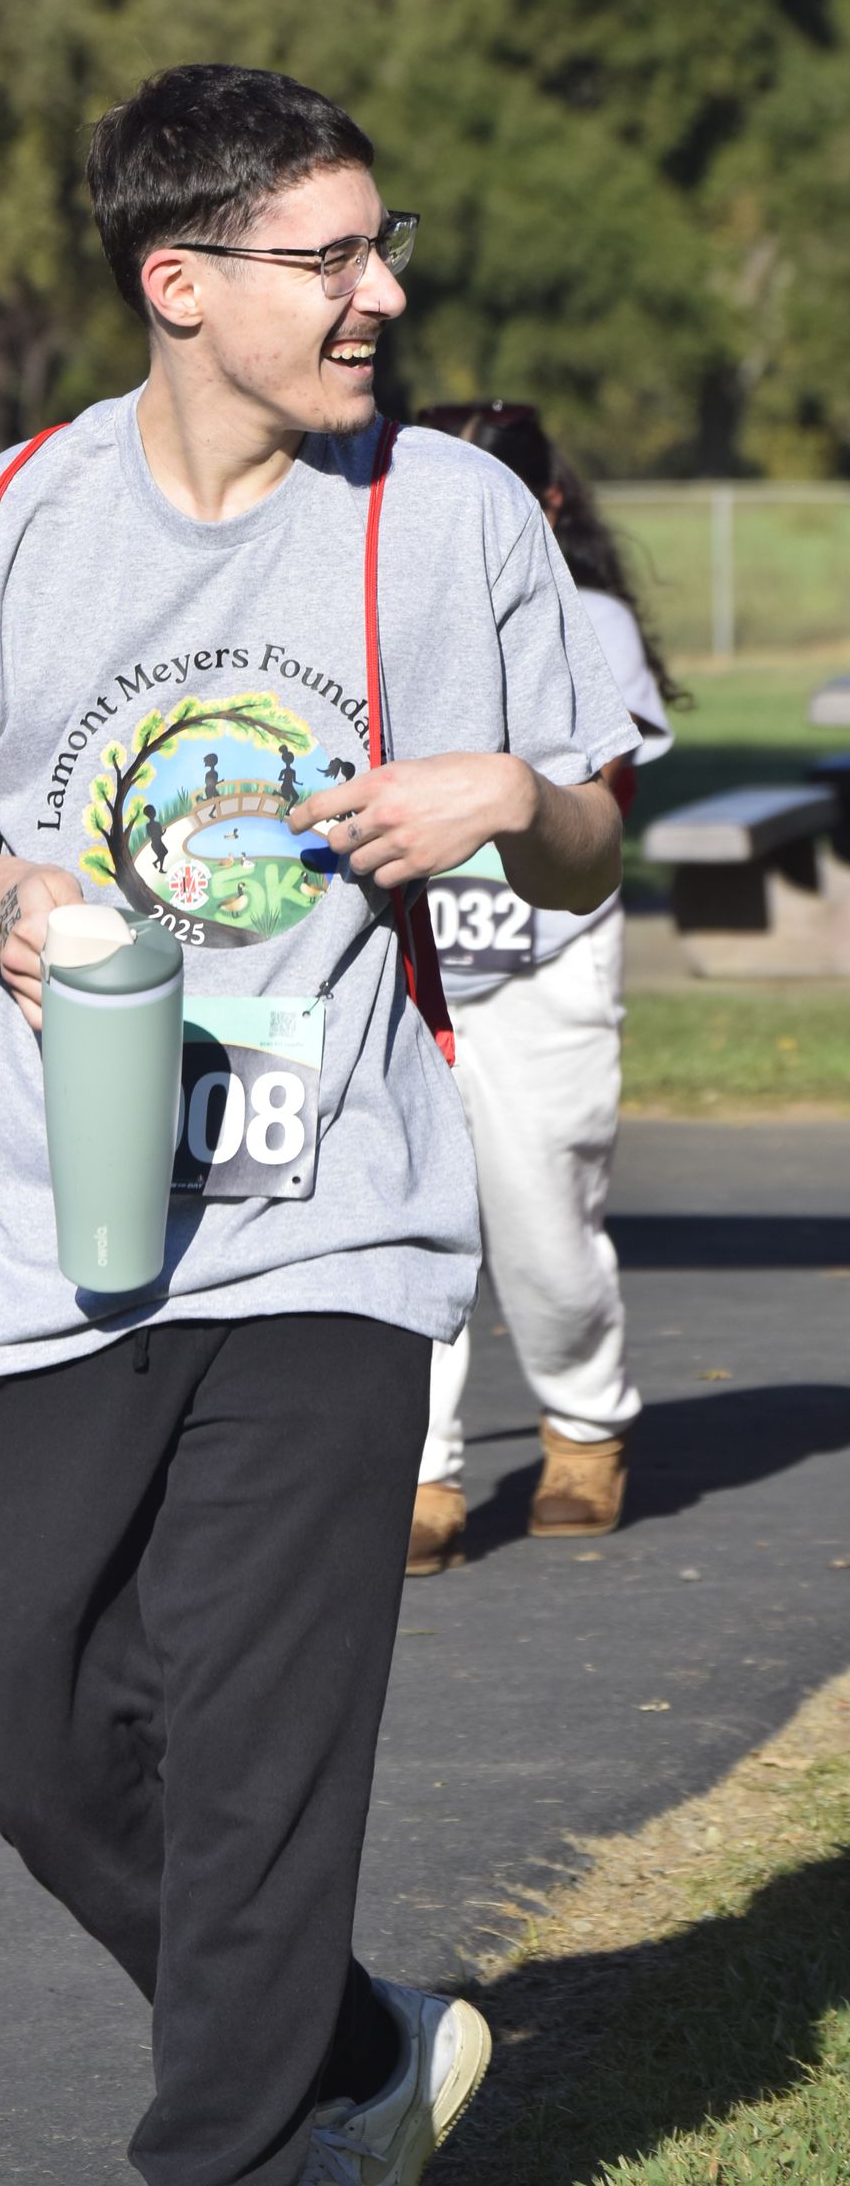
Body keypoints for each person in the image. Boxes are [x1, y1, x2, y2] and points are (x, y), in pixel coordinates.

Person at [0, 64, 637, 2186]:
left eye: (384, 247)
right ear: (179, 281)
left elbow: (592, 843)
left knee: (257, 1734)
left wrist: (509, 800)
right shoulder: (6, 527)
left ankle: (246, 2150)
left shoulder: (447, 518)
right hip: (68, 1222)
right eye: (332, 258)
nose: (383, 291)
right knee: (11, 1675)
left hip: (333, 1229)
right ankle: (345, 2037)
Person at [405, 403, 683, 1577]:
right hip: (406, 967)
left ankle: (584, 1422)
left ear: (546, 505)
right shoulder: (377, 604)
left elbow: (602, 798)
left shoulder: (591, 620)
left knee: (538, 1218)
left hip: (539, 964)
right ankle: (419, 1468)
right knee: (405, 1222)